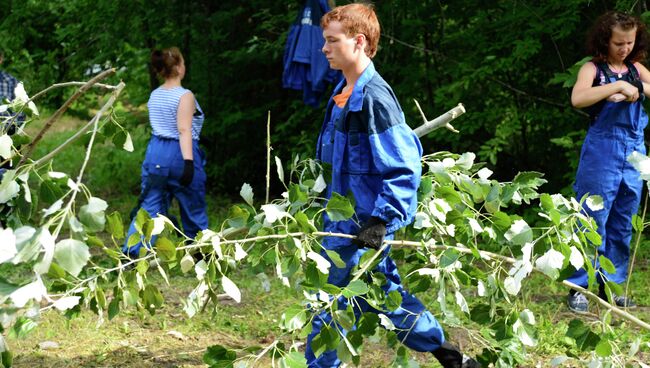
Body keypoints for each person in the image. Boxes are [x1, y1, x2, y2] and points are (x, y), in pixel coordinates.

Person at [308, 4, 480, 367]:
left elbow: (403, 167)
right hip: (339, 222)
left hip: (361, 226)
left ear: (358, 42)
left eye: (331, 41)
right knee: (384, 298)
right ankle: (449, 356)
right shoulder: (342, 92)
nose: (324, 48)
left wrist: (381, 221)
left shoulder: (375, 99)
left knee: (328, 302)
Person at [567, 11, 650, 313]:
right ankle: (577, 286)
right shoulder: (593, 69)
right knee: (590, 217)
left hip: (634, 152)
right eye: (618, 43)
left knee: (623, 222)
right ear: (606, 39)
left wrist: (636, 88)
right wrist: (615, 86)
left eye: (629, 42)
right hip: (602, 150)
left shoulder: (636, 68)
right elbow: (578, 98)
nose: (624, 49)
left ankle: (611, 287)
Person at [122, 47, 208, 258]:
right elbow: (183, 129)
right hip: (180, 152)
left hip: (156, 152)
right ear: (178, 68)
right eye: (184, 63)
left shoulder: (155, 95)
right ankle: (200, 252)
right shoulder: (185, 96)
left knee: (151, 205)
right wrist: (188, 162)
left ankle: (130, 255)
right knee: (192, 203)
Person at [0, 51, 25, 135]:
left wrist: (9, 127)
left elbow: (21, 109)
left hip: (6, 134)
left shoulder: (11, 82)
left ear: (1, 60)